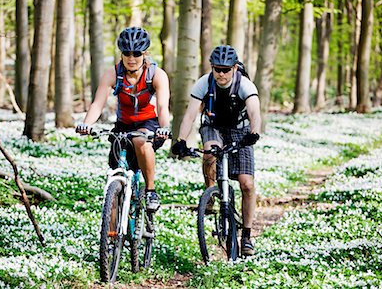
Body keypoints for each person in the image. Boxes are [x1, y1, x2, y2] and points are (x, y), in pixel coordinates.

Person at [171, 45, 261, 256]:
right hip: (213, 127)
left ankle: (246, 236)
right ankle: (211, 193)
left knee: (247, 184)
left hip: (240, 130)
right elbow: (190, 115)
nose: (221, 73)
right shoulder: (204, 83)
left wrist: (254, 133)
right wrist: (181, 140)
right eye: (217, 69)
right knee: (210, 151)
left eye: (226, 69)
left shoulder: (244, 84)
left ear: (234, 68)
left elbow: (255, 111)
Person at [76, 27, 171, 211]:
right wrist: (86, 124)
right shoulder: (113, 74)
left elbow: (162, 106)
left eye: (136, 53)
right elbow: (98, 103)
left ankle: (150, 190)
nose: (131, 58)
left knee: (140, 139)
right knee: (114, 177)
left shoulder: (156, 75)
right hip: (123, 125)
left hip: (149, 124)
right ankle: (111, 237)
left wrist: (165, 126)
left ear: (145, 53)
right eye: (126, 53)